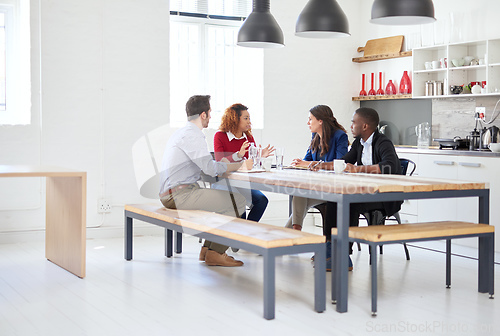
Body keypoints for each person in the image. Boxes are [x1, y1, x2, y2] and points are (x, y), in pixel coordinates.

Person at [159, 95, 253, 267]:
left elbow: (208, 165)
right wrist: (240, 165)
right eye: (210, 112)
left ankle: (207, 250)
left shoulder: (183, 133)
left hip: (173, 192)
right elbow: (210, 169)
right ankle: (216, 253)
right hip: (179, 194)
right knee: (237, 202)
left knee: (225, 202)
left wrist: (232, 160)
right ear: (203, 115)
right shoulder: (194, 135)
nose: (211, 116)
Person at [312, 107, 402, 271]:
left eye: (354, 122)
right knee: (333, 200)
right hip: (366, 192)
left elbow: (389, 165)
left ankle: (344, 255)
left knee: (349, 202)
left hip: (385, 196)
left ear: (365, 126)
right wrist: (321, 165)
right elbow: (344, 162)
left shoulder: (383, 142)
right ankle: (329, 248)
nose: (351, 126)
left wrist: (358, 169)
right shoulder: (358, 144)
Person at [285, 105, 348, 231]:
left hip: (332, 187)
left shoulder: (340, 136)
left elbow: (340, 163)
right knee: (299, 192)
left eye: (310, 119)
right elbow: (307, 160)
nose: (308, 123)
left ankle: (285, 236)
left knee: (300, 195)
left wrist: (312, 164)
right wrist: (301, 163)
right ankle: (291, 233)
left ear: (320, 121)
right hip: (316, 185)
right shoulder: (315, 135)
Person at [213, 103, 274, 222]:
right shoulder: (220, 136)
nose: (249, 122)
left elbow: (251, 165)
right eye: (245, 118)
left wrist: (259, 157)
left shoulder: (248, 137)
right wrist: (238, 155)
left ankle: (247, 232)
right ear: (234, 119)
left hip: (242, 182)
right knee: (240, 207)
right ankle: (240, 235)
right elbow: (220, 163)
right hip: (224, 182)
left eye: (249, 118)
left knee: (262, 201)